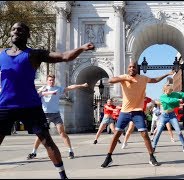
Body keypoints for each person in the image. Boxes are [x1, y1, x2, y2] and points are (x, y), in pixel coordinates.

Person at [0, 22, 94, 179]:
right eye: (13, 29)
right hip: (5, 105)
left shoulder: (34, 54)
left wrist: (81, 48)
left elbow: (64, 57)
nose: (16, 31)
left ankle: (62, 175)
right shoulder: (1, 54)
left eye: (20, 29)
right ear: (10, 33)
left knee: (47, 141)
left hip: (30, 105)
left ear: (28, 35)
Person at [100, 62, 174, 168]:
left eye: (133, 67)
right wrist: (125, 79)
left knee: (144, 134)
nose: (131, 68)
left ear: (137, 68)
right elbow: (110, 80)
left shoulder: (142, 78)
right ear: (127, 68)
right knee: (116, 134)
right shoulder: (124, 77)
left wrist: (167, 74)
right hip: (125, 111)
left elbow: (155, 80)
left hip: (137, 111)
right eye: (130, 67)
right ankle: (108, 157)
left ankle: (152, 157)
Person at [27, 74, 88, 160]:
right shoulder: (42, 89)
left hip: (55, 114)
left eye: (52, 80)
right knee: (40, 135)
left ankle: (70, 151)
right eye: (50, 80)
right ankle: (33, 152)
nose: (51, 82)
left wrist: (81, 85)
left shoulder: (58, 89)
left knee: (62, 132)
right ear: (47, 81)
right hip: (44, 115)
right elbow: (34, 97)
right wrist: (40, 91)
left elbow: (70, 87)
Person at [152, 84, 184, 153]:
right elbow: (169, 101)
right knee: (158, 132)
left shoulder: (173, 94)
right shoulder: (162, 97)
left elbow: (182, 95)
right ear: (165, 90)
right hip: (163, 116)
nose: (171, 92)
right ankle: (153, 147)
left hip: (172, 115)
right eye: (169, 90)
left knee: (179, 131)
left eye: (171, 90)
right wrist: (177, 100)